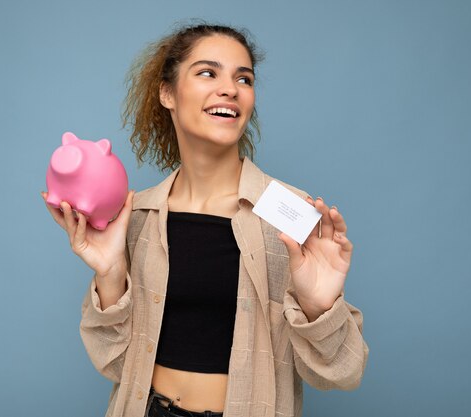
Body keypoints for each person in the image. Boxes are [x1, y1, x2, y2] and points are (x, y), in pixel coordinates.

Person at [42, 23, 368, 417]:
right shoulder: (138, 216)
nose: (229, 88)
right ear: (167, 93)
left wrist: (320, 307)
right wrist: (110, 276)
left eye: (243, 78)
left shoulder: (292, 212)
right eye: (208, 72)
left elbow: (344, 374)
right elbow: (113, 365)